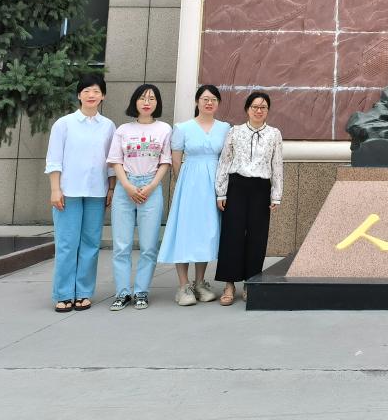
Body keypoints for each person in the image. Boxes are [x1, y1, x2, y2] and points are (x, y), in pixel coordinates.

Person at [44, 74, 116, 313]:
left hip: (97, 192)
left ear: (103, 96)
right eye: (86, 91)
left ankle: (83, 292)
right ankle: (63, 293)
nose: (91, 95)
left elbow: (111, 161)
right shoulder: (64, 124)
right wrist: (55, 189)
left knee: (90, 244)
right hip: (68, 192)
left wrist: (111, 188)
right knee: (67, 244)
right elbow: (54, 159)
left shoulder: (108, 126)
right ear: (79, 95)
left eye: (96, 91)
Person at [158, 84, 230, 306]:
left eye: (213, 99)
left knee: (206, 231)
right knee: (185, 230)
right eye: (205, 99)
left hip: (214, 183)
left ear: (218, 103)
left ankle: (200, 282)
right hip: (190, 183)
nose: (209, 103)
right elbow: (176, 159)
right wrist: (182, 184)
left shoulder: (225, 128)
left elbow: (227, 157)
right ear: (197, 101)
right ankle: (183, 286)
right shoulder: (183, 128)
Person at [215, 91, 284, 306]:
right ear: (247, 109)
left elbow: (277, 164)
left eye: (263, 107)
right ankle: (229, 284)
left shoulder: (274, 134)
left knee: (257, 237)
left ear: (268, 111)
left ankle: (250, 282)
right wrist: (221, 191)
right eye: (255, 107)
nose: (258, 111)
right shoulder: (235, 131)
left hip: (261, 188)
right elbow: (225, 161)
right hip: (237, 186)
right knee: (232, 234)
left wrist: (276, 194)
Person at [108, 84, 172, 311]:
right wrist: (127, 186)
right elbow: (116, 160)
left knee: (148, 246)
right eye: (143, 98)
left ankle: (141, 291)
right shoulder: (123, 130)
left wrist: (152, 186)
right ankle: (122, 292)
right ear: (134, 101)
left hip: (151, 188)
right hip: (125, 188)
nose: (147, 102)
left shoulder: (164, 129)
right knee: (121, 245)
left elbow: (165, 161)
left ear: (157, 103)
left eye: (152, 98)